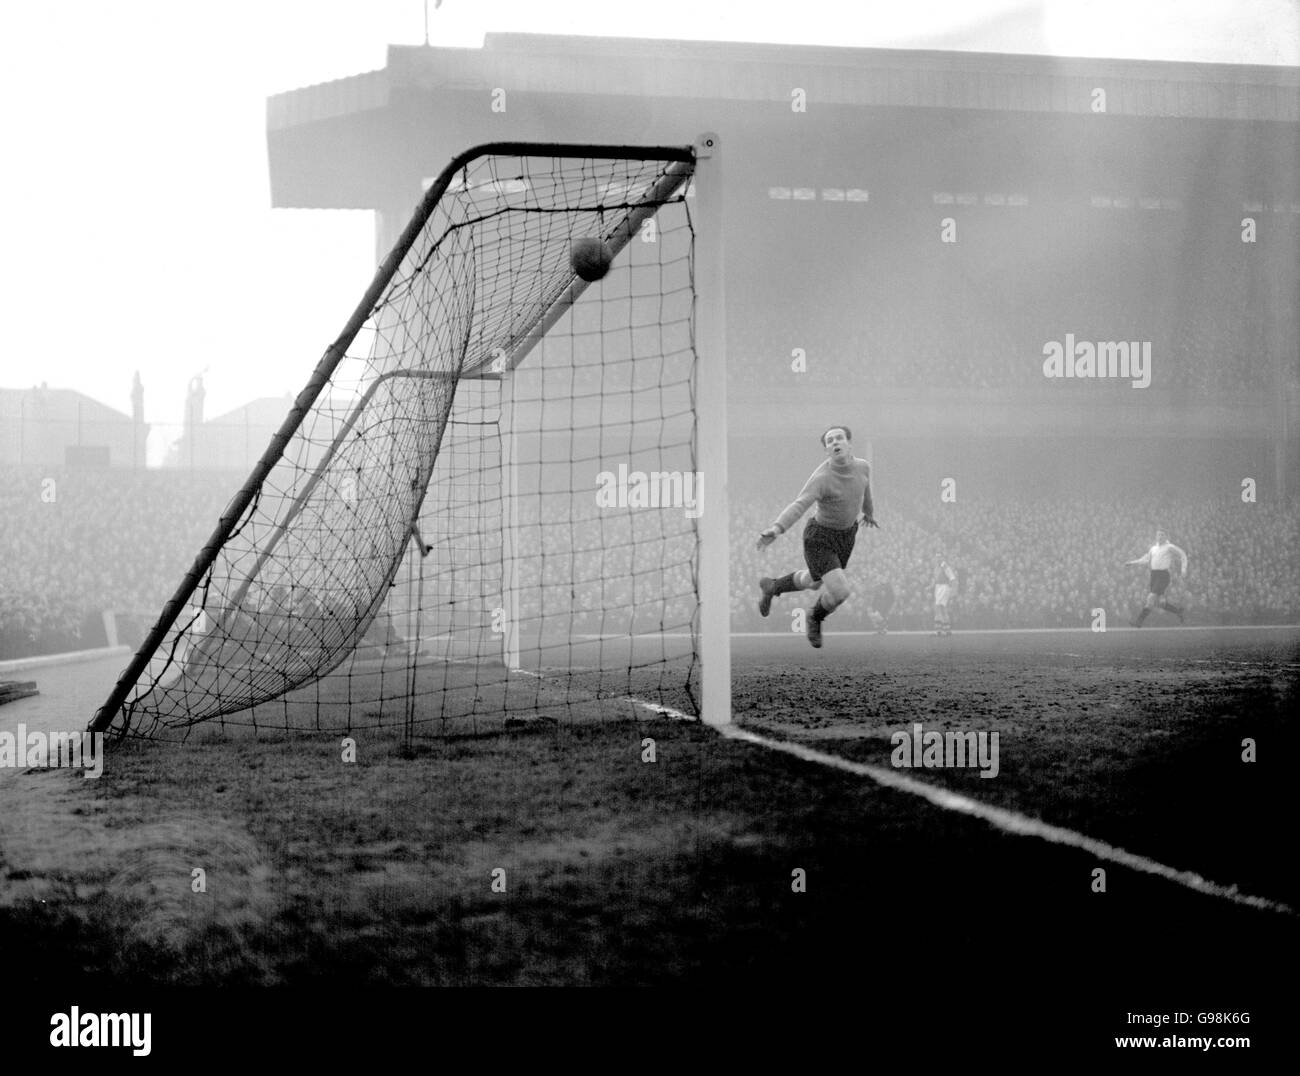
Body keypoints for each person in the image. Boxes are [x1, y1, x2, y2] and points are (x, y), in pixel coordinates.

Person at [756, 425, 877, 648]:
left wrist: (869, 512)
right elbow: (799, 504)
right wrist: (777, 528)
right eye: (830, 441)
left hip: (847, 535)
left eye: (839, 438)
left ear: (849, 443)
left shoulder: (863, 467)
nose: (835, 443)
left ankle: (772, 587)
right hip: (819, 538)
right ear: (826, 450)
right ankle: (815, 617)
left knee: (813, 582)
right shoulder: (822, 477)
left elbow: (865, 490)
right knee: (840, 591)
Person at [1126, 528, 1188, 626]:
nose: (1160, 537)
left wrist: (1183, 569)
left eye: (1162, 535)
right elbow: (1146, 559)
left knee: (1150, 598)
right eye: (1158, 535)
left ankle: (1138, 622)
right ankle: (1178, 612)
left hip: (1163, 576)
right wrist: (1132, 563)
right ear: (1156, 536)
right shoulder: (1153, 548)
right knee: (1161, 603)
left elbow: (1183, 555)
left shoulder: (1169, 547)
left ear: (1166, 536)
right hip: (1154, 575)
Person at [933, 556, 957, 635]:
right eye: (936, 557)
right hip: (938, 588)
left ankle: (940, 630)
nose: (937, 558)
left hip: (943, 587)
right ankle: (945, 629)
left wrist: (953, 590)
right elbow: (936, 579)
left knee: (939, 608)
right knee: (941, 609)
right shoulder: (937, 567)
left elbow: (952, 578)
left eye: (939, 556)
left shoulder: (945, 566)